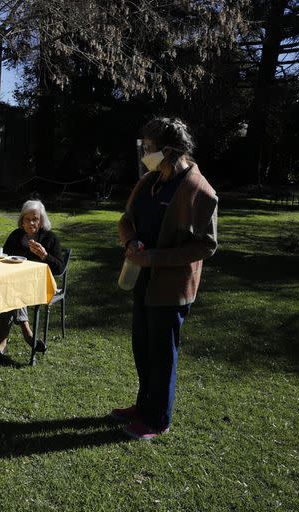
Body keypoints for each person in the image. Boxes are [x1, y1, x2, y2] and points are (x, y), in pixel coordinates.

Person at [112, 117, 218, 440]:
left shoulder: (199, 189)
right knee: (143, 348)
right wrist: (131, 243)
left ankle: (158, 419)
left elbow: (207, 244)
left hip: (171, 289)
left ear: (170, 150)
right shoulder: (150, 181)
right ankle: (143, 406)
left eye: (150, 148)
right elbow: (126, 219)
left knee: (162, 354)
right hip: (142, 280)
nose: (146, 153)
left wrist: (155, 257)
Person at [0, 199, 64, 362]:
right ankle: (27, 332)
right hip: (16, 284)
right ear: (21, 221)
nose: (31, 222)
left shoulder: (50, 238)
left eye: (35, 219)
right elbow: (4, 257)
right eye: (27, 219)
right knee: (13, 289)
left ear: (41, 220)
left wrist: (44, 255)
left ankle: (3, 341)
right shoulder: (16, 236)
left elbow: (59, 269)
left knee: (12, 291)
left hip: (43, 285)